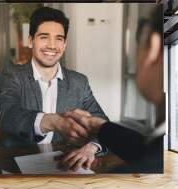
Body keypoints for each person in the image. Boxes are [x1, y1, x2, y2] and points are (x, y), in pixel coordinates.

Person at [0, 7, 108, 165]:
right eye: (44, 37)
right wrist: (56, 122)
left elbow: (102, 121)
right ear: (30, 40)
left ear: (65, 44)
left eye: (59, 38)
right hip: (15, 163)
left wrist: (91, 147)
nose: (52, 45)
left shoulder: (79, 82)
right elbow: (8, 115)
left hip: (63, 164)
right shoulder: (12, 75)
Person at [58, 7, 164, 173]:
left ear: (153, 47)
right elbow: (146, 149)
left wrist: (93, 144)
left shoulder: (79, 80)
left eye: (59, 39)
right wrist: (99, 127)